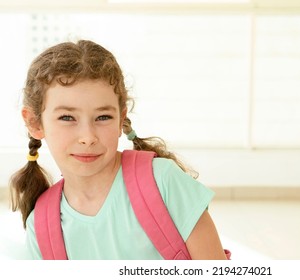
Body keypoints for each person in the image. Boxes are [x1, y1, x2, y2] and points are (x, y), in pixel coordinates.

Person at [10, 39, 227, 260]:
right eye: (67, 117)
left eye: (103, 117)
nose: (88, 137)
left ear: (121, 119)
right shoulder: (41, 225)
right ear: (35, 123)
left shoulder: (163, 181)